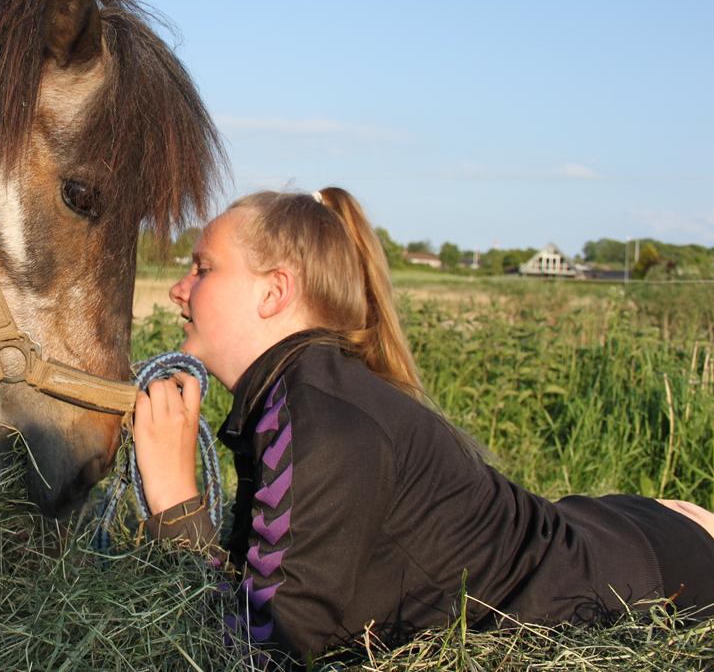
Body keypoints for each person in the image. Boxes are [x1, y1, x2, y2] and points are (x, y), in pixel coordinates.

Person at [131, 187, 714, 659]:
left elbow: (261, 652)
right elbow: (254, 583)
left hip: (649, 576)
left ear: (274, 291)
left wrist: (176, 502)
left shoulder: (324, 424)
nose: (180, 290)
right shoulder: (297, 398)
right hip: (611, 529)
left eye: (203, 268)